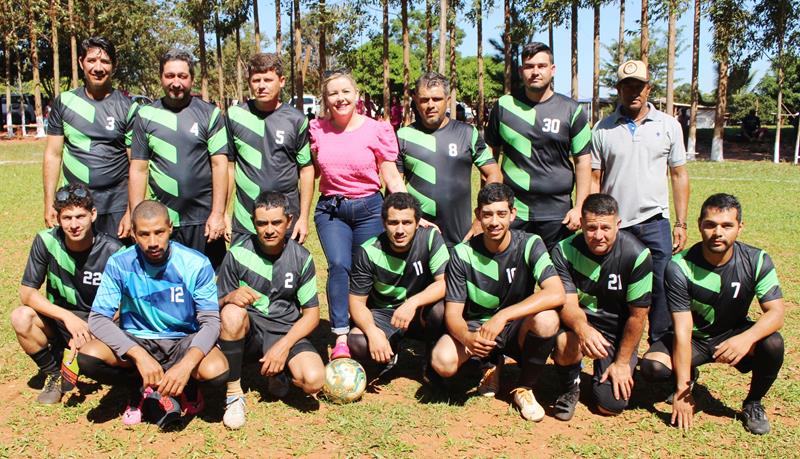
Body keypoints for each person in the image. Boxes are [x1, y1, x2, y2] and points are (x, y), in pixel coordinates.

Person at [639, 194, 785, 435]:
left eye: (727, 225)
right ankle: (688, 374)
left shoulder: (757, 260)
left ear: (740, 227)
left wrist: (744, 339)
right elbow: (683, 331)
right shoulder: (679, 266)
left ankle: (753, 403)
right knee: (652, 367)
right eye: (711, 224)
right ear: (699, 225)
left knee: (773, 343)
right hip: (695, 339)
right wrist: (682, 389)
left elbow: (776, 313)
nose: (718, 232)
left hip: (733, 333)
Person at [79, 200, 228, 427]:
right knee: (89, 356)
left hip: (182, 341)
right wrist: (139, 355)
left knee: (217, 371)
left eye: (159, 232)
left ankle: (186, 385)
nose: (153, 242)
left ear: (170, 228)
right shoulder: (119, 263)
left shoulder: (196, 263)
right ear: (134, 234)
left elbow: (211, 322)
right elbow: (98, 318)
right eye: (144, 234)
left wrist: (186, 365)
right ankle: (139, 388)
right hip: (137, 338)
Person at [430, 183, 565, 422]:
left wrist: (503, 316)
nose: (494, 222)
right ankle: (489, 364)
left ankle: (524, 388)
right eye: (488, 214)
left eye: (502, 214)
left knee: (548, 319)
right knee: (443, 361)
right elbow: (452, 315)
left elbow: (556, 292)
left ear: (512, 214)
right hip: (478, 329)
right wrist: (467, 338)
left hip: (514, 327)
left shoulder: (530, 243)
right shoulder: (462, 253)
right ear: (478, 216)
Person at [310, 70, 408, 360]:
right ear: (325, 99)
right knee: (339, 265)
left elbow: (390, 174)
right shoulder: (316, 129)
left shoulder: (377, 129)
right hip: (331, 210)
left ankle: (369, 328)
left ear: (356, 95)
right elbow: (310, 172)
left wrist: (409, 211)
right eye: (333, 94)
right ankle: (340, 334)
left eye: (345, 92)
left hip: (369, 208)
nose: (340, 99)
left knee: (367, 270)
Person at [591, 59, 690, 344]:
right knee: (617, 290)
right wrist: (593, 222)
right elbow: (595, 179)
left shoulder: (669, 126)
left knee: (660, 288)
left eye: (639, 86)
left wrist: (680, 223)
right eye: (627, 86)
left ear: (649, 88)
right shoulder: (602, 129)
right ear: (618, 89)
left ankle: (659, 349)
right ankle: (618, 347)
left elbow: (679, 175)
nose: (633, 92)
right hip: (616, 228)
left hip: (654, 223)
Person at [216, 192, 324, 429]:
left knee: (314, 380)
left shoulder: (301, 257)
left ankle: (279, 372)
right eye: (262, 223)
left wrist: (282, 348)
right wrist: (228, 297)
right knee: (232, 313)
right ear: (254, 223)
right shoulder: (237, 254)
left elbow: (312, 314)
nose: (269, 230)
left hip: (285, 330)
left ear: (289, 220)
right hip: (251, 331)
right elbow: (212, 306)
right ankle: (234, 394)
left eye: (276, 222)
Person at [11, 184, 123, 404]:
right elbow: (27, 293)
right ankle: (54, 374)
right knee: (20, 317)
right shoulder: (46, 241)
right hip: (62, 322)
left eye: (80, 217)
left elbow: (125, 305)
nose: (74, 225)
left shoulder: (114, 251)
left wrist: (93, 329)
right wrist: (67, 317)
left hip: (100, 324)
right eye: (67, 218)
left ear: (93, 214)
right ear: (58, 218)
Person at [550, 194, 652, 420]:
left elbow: (637, 317)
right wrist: (583, 329)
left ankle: (613, 369)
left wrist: (622, 362)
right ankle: (570, 386)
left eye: (605, 228)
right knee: (564, 340)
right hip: (579, 324)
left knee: (610, 405)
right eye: (591, 228)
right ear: (582, 225)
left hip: (616, 332)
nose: (598, 236)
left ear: (618, 225)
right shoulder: (563, 250)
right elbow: (567, 303)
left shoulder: (637, 255)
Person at [485, 42, 592, 251]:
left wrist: (579, 207)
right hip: (514, 212)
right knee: (513, 282)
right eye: (529, 66)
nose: (535, 72)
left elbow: (583, 162)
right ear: (520, 71)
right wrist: (490, 205)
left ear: (552, 70)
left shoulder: (572, 110)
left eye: (541, 66)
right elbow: (489, 158)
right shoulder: (503, 107)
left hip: (557, 215)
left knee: (558, 281)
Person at [129, 49, 228, 268]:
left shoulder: (210, 114)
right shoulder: (145, 116)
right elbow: (138, 169)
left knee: (210, 288)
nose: (176, 82)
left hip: (203, 221)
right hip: (162, 223)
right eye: (170, 76)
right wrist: (137, 218)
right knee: (164, 287)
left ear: (191, 78)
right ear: (161, 77)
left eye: (182, 76)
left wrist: (218, 214)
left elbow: (220, 165)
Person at [43, 37, 138, 241]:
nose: (98, 67)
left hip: (116, 205)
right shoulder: (64, 103)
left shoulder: (128, 107)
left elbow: (136, 165)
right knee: (78, 267)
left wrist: (131, 211)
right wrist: (50, 202)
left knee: (116, 267)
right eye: (92, 60)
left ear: (114, 66)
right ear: (81, 63)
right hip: (75, 204)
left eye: (105, 61)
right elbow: (53, 155)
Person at [347, 193, 449, 379]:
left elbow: (444, 283)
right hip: (384, 314)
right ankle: (388, 356)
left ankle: (432, 359)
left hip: (419, 311)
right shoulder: (368, 251)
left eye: (407, 222)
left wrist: (413, 303)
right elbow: (356, 303)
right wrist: (372, 332)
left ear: (418, 223)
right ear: (384, 223)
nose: (400, 230)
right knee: (357, 342)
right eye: (393, 223)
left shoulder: (431, 238)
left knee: (441, 311)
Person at [397, 72, 502, 248]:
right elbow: (394, 189)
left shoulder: (468, 133)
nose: (430, 105)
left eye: (436, 99)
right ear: (414, 99)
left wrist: (481, 220)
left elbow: (494, 175)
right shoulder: (402, 137)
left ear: (447, 99)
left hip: (462, 238)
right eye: (424, 100)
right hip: (416, 238)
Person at [226, 53, 314, 245]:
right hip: (245, 219)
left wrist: (303, 218)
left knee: (284, 272)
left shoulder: (296, 119)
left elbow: (306, 170)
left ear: (281, 81)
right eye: (256, 80)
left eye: (268, 79)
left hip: (285, 219)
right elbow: (228, 167)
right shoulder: (234, 116)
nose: (261, 85)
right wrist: (224, 213)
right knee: (244, 272)